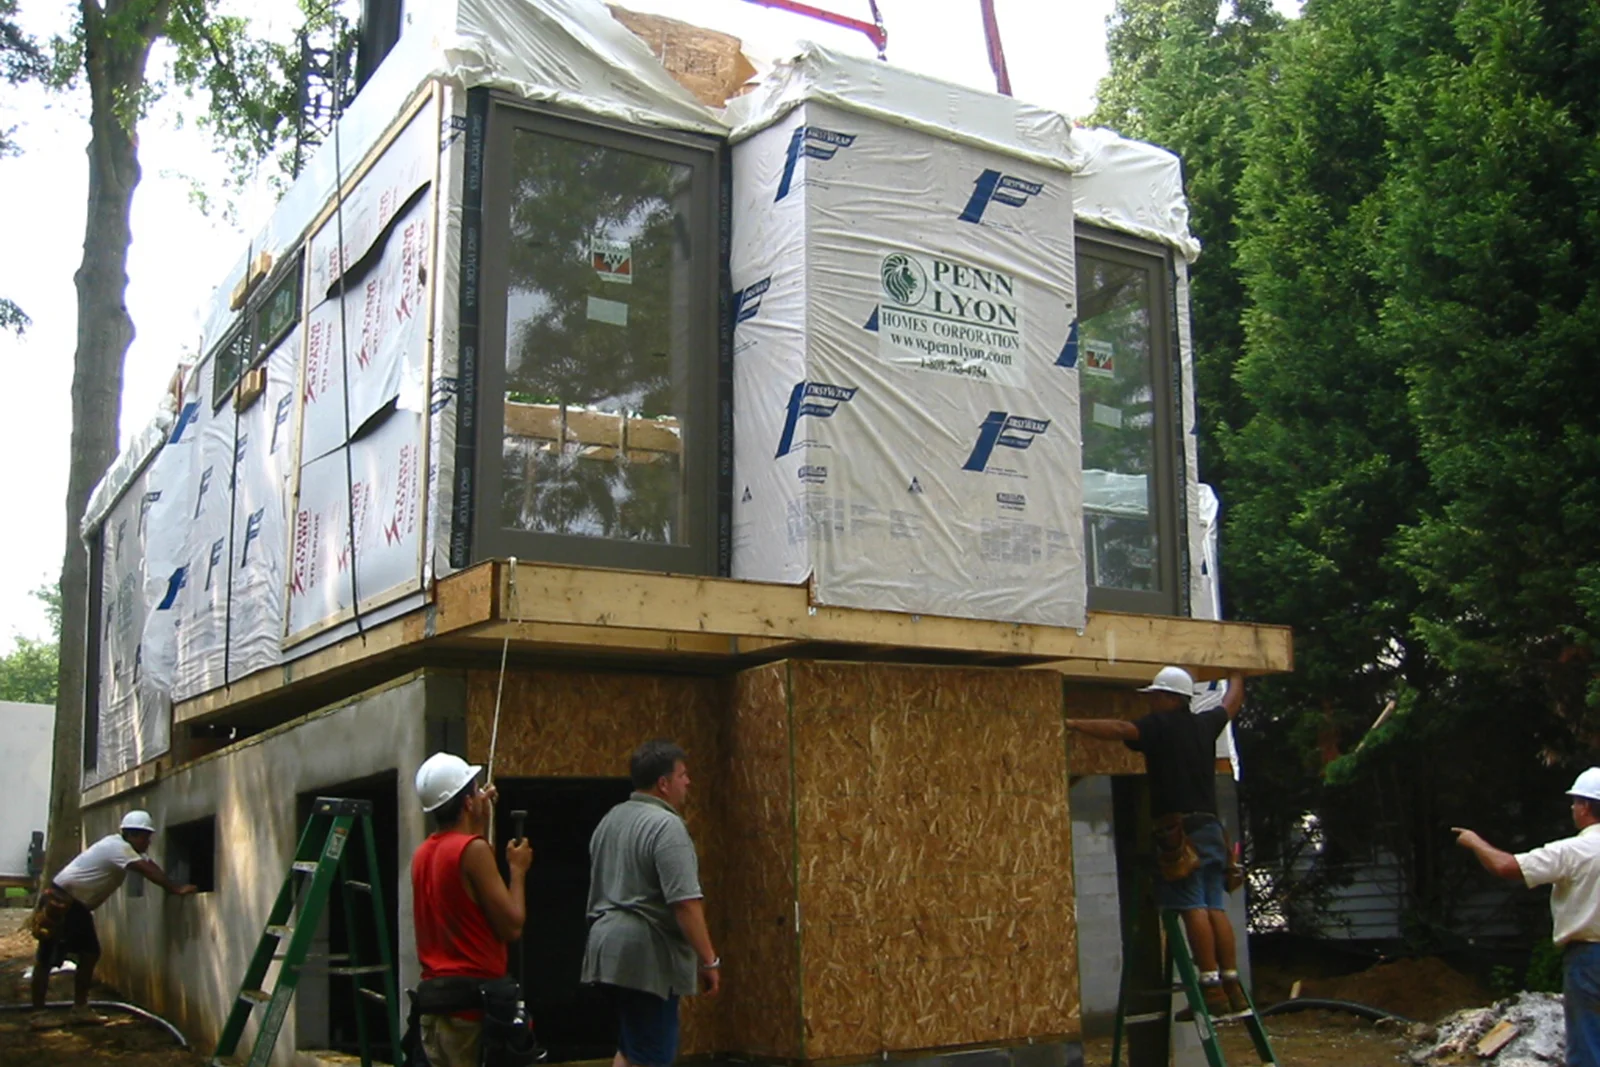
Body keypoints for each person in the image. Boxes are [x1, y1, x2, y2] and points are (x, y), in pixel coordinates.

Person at [1065, 666, 1248, 1015]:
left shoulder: (1160, 726)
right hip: (1210, 830)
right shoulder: (1204, 724)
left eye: (1154, 696)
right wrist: (1238, 673)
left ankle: (1210, 989)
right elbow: (1231, 703)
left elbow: (1120, 729)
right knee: (1214, 906)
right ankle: (1231, 984)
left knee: (1192, 904)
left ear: (1169, 697)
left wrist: (1073, 724)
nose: (1150, 703)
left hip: (1181, 831)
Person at [582, 740, 720, 1067]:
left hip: (606, 953)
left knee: (631, 1048)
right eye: (683, 775)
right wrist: (709, 961)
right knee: (653, 1053)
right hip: (645, 957)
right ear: (663, 783)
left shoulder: (611, 821)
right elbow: (685, 902)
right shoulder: (667, 827)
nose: (688, 782)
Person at [1454, 768, 1600, 1067]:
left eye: (1574, 803)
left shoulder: (1575, 851)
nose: (1572, 808)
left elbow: (1508, 867)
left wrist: (1474, 842)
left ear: (1585, 806)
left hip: (1589, 957)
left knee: (1587, 1040)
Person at [408, 752, 540, 1067]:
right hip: (471, 1013)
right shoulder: (473, 851)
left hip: (435, 1007)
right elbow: (511, 925)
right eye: (476, 790)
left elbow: (467, 892)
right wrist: (517, 870)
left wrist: (479, 823)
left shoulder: (424, 853)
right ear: (467, 802)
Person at [30, 810, 197, 1020]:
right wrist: (175, 889)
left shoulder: (124, 847)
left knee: (84, 953)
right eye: (146, 837)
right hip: (65, 902)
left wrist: (174, 884)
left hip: (73, 903)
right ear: (134, 835)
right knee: (54, 957)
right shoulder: (118, 848)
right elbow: (145, 869)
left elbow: (149, 864)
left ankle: (75, 1008)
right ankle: (43, 1013)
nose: (148, 842)